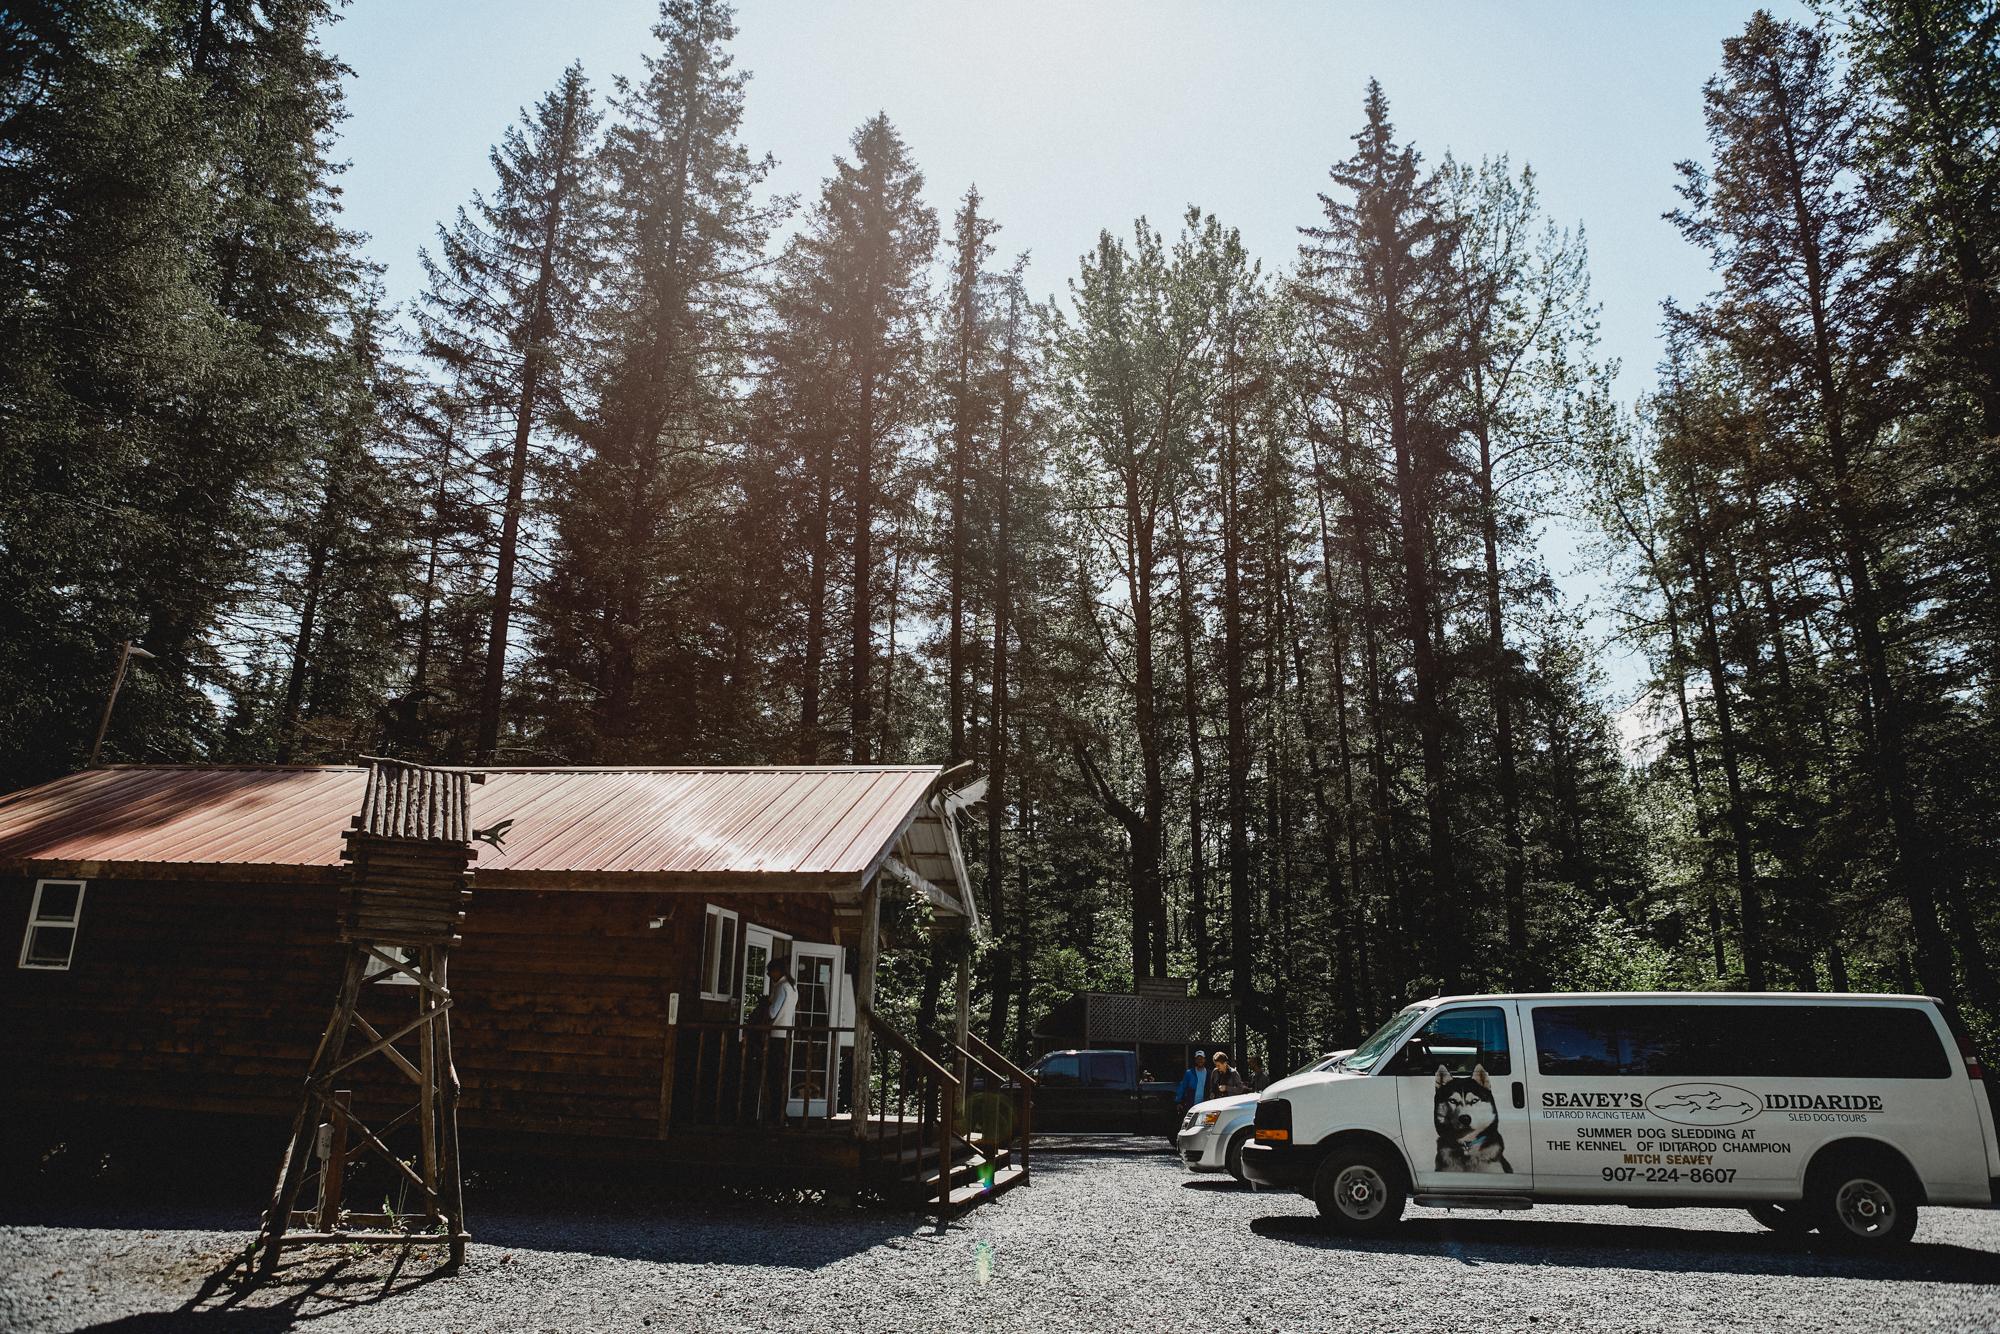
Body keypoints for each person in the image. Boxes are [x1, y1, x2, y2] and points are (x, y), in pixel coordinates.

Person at [749, 956, 797, 1121]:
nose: (769, 975)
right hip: (785, 1036)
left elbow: (772, 1012)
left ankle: (776, 1114)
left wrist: (764, 1005)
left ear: (778, 971)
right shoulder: (792, 987)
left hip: (776, 1036)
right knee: (780, 1076)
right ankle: (780, 1112)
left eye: (770, 971)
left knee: (774, 1077)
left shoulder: (781, 987)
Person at [1175, 1050, 1209, 1115]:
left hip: (1205, 1106)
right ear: (1195, 1060)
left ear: (1204, 1059)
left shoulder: (1209, 1073)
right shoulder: (1189, 1073)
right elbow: (1182, 1087)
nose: (1200, 1060)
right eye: (1198, 1059)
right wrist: (1178, 1102)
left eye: (1201, 1058)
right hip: (1191, 1106)